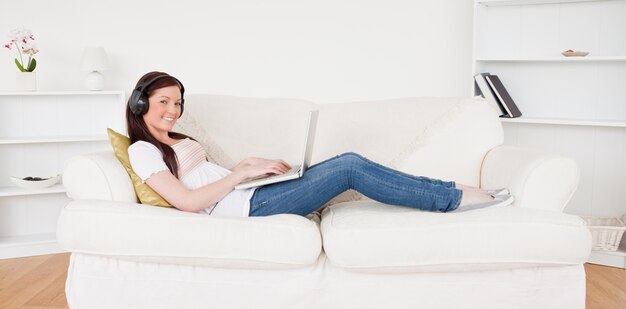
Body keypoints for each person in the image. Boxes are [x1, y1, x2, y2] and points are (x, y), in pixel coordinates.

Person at [127, 71, 514, 218]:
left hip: (251, 194)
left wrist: (249, 169)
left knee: (347, 161)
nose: (173, 110)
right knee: (348, 166)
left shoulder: (178, 139)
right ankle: (453, 199)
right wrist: (240, 175)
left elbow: (205, 181)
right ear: (141, 103)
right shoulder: (142, 150)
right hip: (247, 209)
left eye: (177, 102)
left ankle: (454, 192)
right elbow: (189, 201)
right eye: (164, 101)